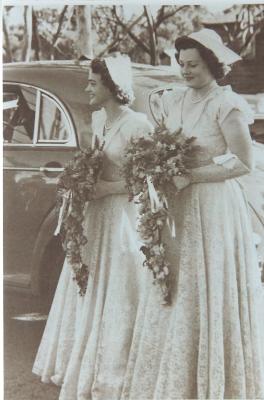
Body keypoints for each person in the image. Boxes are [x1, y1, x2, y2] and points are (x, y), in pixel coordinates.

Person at [120, 29, 264, 399]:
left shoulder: (226, 104)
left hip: (214, 205)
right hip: (178, 204)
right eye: (181, 64)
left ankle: (214, 379)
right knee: (177, 281)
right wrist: (157, 167)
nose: (185, 71)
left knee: (208, 282)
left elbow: (242, 163)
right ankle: (176, 377)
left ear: (213, 65)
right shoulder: (174, 100)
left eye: (193, 65)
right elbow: (164, 144)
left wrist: (192, 176)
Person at [32, 54, 153, 399]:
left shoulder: (137, 125)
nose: (87, 87)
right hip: (96, 215)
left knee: (119, 287)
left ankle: (116, 367)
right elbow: (93, 163)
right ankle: (86, 360)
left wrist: (106, 188)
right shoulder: (100, 120)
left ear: (112, 87)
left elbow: (145, 182)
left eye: (93, 82)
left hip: (120, 216)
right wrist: (81, 184)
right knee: (90, 282)